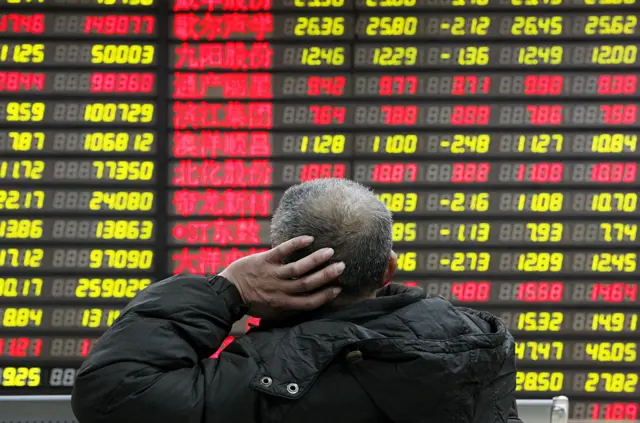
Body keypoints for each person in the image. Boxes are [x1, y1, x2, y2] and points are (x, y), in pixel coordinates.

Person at [72, 179, 523, 423]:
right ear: (388, 269)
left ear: (277, 261)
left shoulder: (256, 381)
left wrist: (229, 289)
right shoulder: (481, 354)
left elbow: (113, 391)